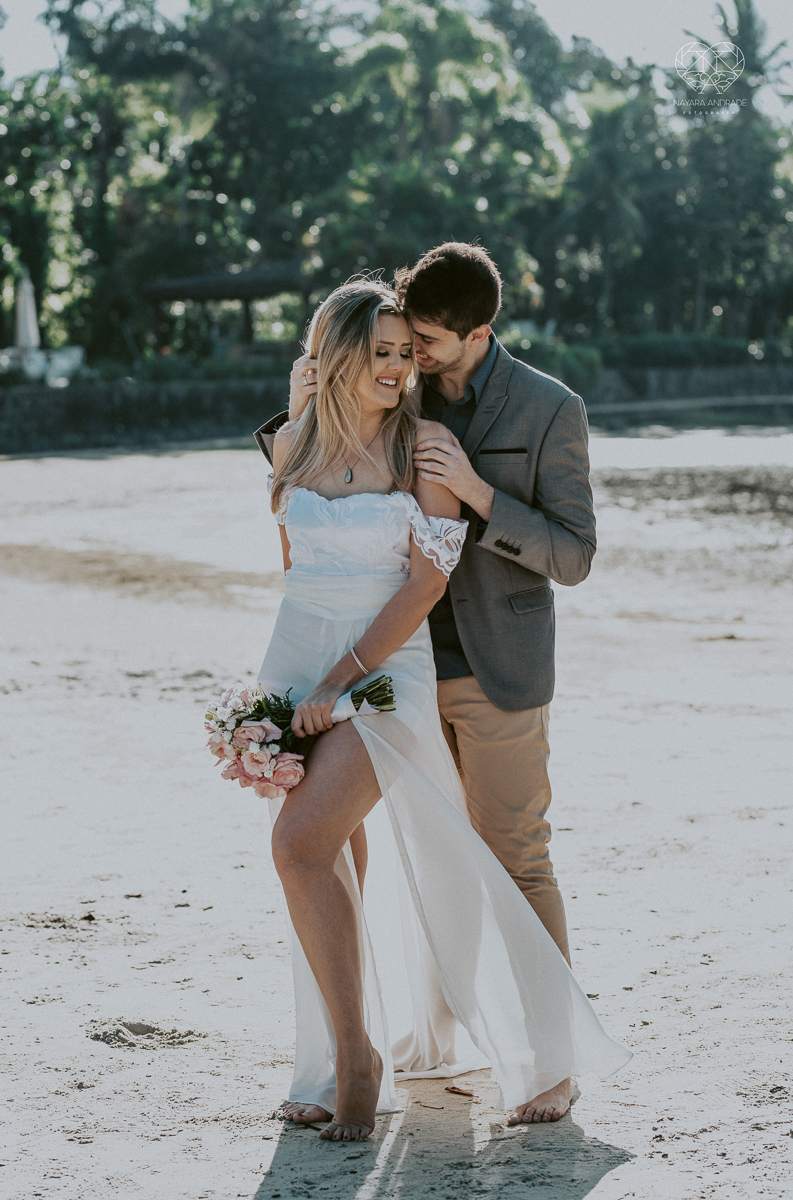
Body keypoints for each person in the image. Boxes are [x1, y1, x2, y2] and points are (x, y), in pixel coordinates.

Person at [255, 278, 630, 1143]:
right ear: (335, 356)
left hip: (420, 671)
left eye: (413, 347)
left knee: (497, 855)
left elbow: (486, 569)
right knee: (329, 853)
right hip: (305, 663)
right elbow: (296, 552)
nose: (404, 363)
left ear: (474, 333)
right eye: (388, 349)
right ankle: (337, 1055)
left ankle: (540, 1057)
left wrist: (342, 675)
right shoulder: (309, 436)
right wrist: (296, 411)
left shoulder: (458, 434)